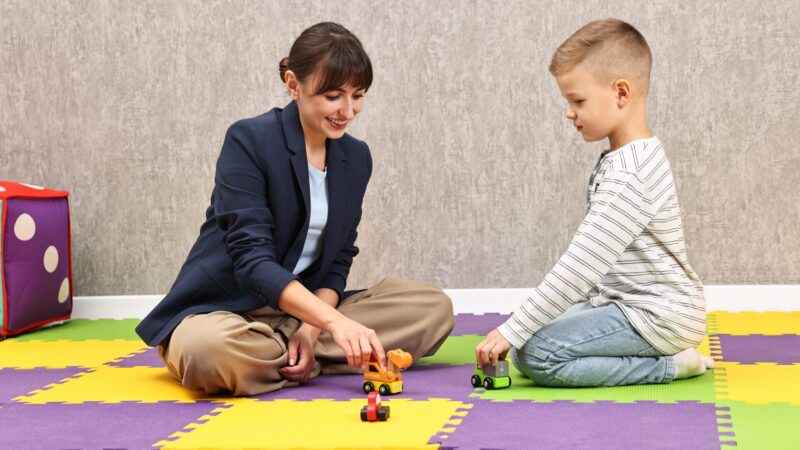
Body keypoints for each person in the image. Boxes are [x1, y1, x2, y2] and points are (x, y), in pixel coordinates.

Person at [136, 22, 454, 396]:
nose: (347, 111)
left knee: (433, 307)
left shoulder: (356, 158)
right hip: (226, 311)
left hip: (301, 312)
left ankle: (293, 351)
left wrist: (312, 327)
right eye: (334, 96)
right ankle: (321, 355)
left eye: (358, 95)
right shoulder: (249, 140)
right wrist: (336, 324)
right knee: (207, 351)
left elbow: (337, 261)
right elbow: (252, 262)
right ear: (293, 84)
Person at [475, 18, 714, 387]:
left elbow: (580, 266)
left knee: (536, 352)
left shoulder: (631, 173)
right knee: (526, 338)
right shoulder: (626, 157)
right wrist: (522, 326)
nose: (569, 112)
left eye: (577, 100)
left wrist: (516, 328)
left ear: (621, 93)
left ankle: (671, 366)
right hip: (624, 305)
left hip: (657, 316)